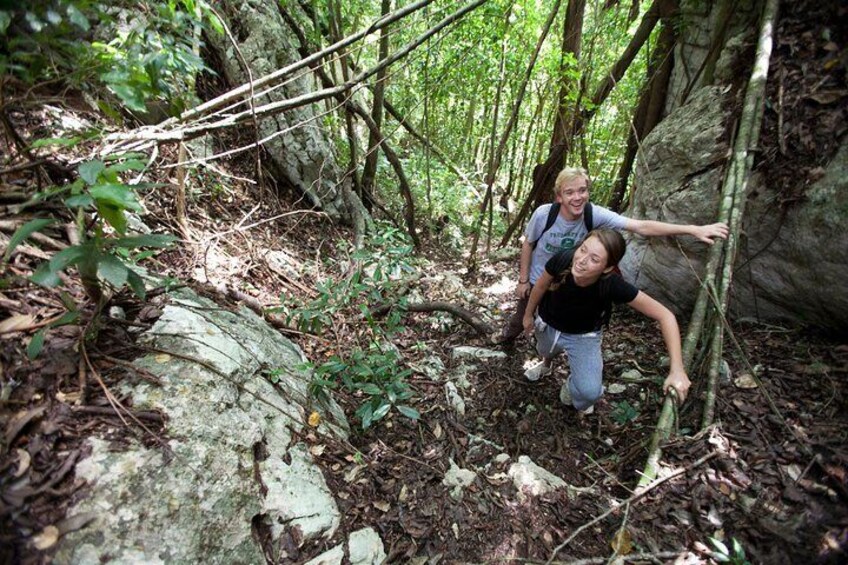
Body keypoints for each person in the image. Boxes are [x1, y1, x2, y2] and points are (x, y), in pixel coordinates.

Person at [496, 166, 729, 344]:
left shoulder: (593, 214)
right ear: (559, 197)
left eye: (582, 190)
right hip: (539, 277)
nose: (577, 197)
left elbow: (641, 227)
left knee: (559, 319)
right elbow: (528, 244)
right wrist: (523, 280)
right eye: (569, 192)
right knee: (521, 316)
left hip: (569, 279)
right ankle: (508, 339)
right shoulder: (544, 214)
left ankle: (550, 353)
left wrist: (692, 229)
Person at [522, 229, 690, 414]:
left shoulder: (612, 284)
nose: (582, 260)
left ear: (608, 268)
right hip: (549, 323)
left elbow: (665, 315)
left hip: (583, 336)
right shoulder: (563, 259)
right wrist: (528, 315)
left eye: (594, 259)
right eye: (583, 250)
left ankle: (571, 388)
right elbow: (541, 285)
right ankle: (546, 364)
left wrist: (677, 369)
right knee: (544, 349)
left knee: (589, 393)